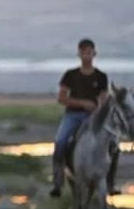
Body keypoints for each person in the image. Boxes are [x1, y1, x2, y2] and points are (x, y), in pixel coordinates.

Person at [49, 38, 118, 198]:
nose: (87, 56)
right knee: (60, 141)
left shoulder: (101, 76)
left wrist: (100, 107)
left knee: (113, 144)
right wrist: (83, 103)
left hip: (94, 116)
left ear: (94, 53)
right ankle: (58, 182)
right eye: (83, 52)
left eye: (89, 52)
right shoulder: (70, 75)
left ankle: (110, 183)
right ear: (79, 54)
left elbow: (103, 97)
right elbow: (61, 98)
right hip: (73, 115)